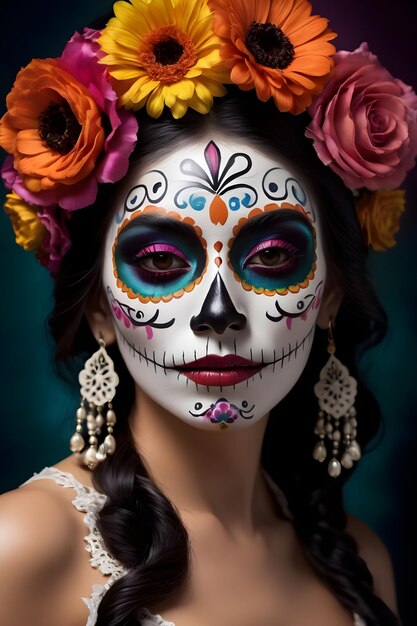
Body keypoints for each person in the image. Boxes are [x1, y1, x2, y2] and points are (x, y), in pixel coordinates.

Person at [0, 0, 415, 625]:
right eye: (163, 262)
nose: (218, 313)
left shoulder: (361, 562)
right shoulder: (23, 549)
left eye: (272, 255)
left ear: (329, 295)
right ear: (98, 308)